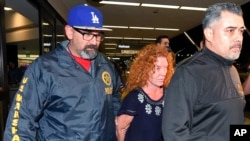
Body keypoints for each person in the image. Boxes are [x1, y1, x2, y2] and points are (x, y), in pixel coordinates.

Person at [4, 4, 122, 141]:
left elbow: (115, 98)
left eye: (98, 35)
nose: (94, 42)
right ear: (69, 32)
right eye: (87, 34)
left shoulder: (106, 65)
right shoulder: (44, 69)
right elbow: (20, 122)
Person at [162, 2, 246, 141]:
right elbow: (174, 134)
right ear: (209, 34)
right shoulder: (188, 73)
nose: (238, 37)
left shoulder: (233, 71)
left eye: (241, 31)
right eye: (230, 30)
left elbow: (235, 123)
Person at [116, 44, 174, 141]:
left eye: (166, 68)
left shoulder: (170, 96)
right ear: (145, 69)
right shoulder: (134, 98)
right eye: (158, 68)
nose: (163, 73)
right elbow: (121, 129)